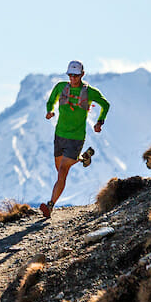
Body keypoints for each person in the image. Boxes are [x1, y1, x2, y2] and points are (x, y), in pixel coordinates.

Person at [40, 60, 109, 219]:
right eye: (70, 75)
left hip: (76, 137)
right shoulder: (60, 87)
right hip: (60, 135)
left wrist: (100, 122)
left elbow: (105, 104)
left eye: (75, 75)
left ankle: (50, 206)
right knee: (60, 171)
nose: (72, 78)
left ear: (82, 75)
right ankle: (83, 159)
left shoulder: (89, 92)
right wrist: (49, 111)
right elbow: (50, 101)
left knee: (63, 171)